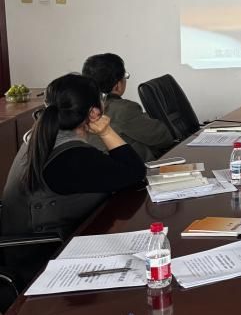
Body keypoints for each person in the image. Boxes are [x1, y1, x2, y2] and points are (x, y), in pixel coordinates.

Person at [1, 74, 147, 283]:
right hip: (44, 261)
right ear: (94, 112)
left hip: (30, 250)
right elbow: (135, 173)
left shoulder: (42, 137)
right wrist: (105, 131)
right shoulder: (72, 157)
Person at [82, 53, 174, 161]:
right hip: (131, 169)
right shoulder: (124, 110)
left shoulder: (79, 107)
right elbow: (164, 138)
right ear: (117, 85)